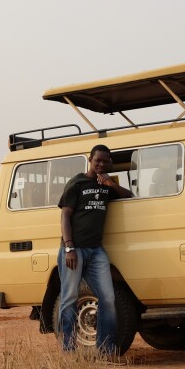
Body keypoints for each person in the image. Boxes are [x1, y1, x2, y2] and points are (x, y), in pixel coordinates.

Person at [57, 144, 133, 355]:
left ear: (109, 163)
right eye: (97, 160)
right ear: (90, 160)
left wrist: (111, 185)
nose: (101, 164)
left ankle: (106, 350)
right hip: (75, 249)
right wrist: (69, 247)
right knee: (69, 298)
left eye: (105, 161)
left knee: (108, 299)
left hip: (96, 250)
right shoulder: (77, 182)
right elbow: (65, 215)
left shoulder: (107, 185)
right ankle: (68, 349)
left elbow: (129, 197)